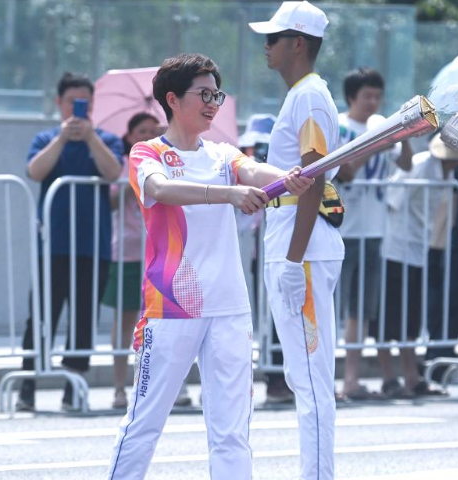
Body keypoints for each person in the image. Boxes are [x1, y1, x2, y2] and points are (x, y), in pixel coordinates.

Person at [106, 53, 313, 480]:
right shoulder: (148, 152)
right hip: (171, 307)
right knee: (145, 424)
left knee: (231, 432)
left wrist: (289, 177)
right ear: (172, 99)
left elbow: (253, 170)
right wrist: (228, 195)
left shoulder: (223, 153)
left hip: (229, 308)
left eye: (216, 94)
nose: (213, 102)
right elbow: (160, 190)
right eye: (203, 93)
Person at [249, 2, 343, 478]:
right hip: (294, 239)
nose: (266, 45)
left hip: (299, 246)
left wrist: (292, 259)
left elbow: (315, 179)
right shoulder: (303, 95)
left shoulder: (308, 96)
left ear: (298, 44)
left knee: (309, 381)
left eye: (275, 37)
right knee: (304, 377)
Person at [17, 72, 123, 412]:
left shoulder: (107, 139)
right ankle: (27, 385)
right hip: (53, 245)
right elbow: (34, 171)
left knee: (83, 316)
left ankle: (73, 386)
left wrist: (91, 138)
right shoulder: (46, 137)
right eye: (71, 102)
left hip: (93, 245)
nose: (78, 110)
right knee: (41, 315)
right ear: (59, 103)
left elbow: (112, 172)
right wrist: (62, 139)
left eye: (85, 103)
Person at [100, 112, 193, 410]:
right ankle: (119, 386)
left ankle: (174, 386)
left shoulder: (171, 161)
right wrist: (135, 180)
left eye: (152, 131)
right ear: (129, 136)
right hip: (128, 252)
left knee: (171, 319)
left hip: (166, 253)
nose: (146, 136)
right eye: (141, 131)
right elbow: (111, 201)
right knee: (126, 319)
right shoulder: (129, 163)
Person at [335, 67, 412, 401]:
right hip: (343, 230)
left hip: (374, 230)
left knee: (361, 310)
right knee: (333, 308)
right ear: (352, 96)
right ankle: (335, 379)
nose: (373, 102)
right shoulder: (339, 127)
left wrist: (403, 134)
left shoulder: (380, 127)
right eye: (367, 95)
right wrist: (375, 145)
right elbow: (346, 172)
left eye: (377, 96)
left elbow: (406, 164)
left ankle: (352, 379)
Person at [380, 133, 458, 398]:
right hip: (397, 244)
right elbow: (395, 198)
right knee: (391, 316)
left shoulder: (447, 173)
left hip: (417, 245)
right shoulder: (423, 164)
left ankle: (411, 376)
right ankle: (391, 376)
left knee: (410, 317)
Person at [238, 113, 295, 404]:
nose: (258, 154)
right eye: (254, 148)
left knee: (283, 315)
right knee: (262, 316)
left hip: (279, 252)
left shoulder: (284, 174)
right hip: (251, 256)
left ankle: (284, 379)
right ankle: (272, 380)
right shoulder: (236, 170)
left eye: (264, 148)